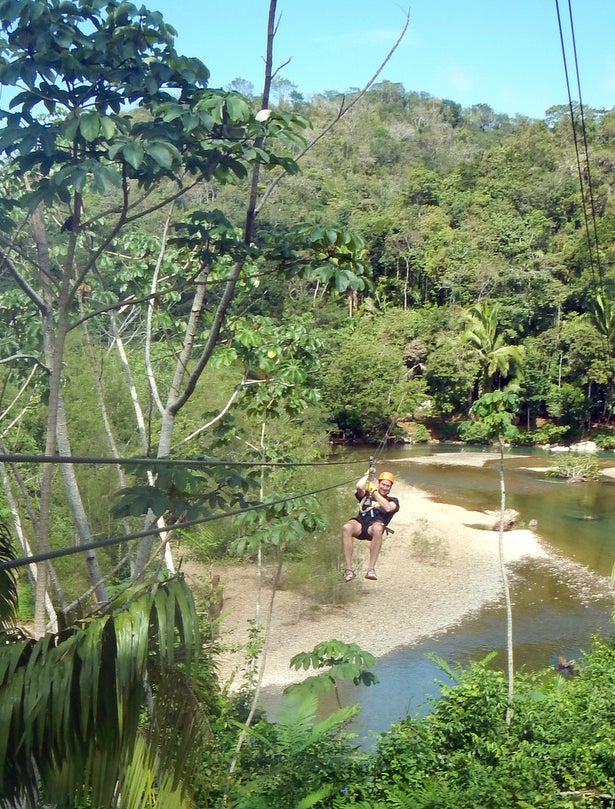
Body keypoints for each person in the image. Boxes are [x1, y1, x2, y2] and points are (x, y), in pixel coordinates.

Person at [342, 470, 399, 582]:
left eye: (388, 486)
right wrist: (367, 475)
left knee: (378, 528)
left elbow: (388, 508)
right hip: (361, 523)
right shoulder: (367, 496)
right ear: (379, 483)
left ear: (390, 488)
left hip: (373, 528)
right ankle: (348, 569)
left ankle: (371, 569)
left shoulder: (393, 501)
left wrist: (374, 492)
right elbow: (359, 487)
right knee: (346, 527)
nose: (385, 487)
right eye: (383, 484)